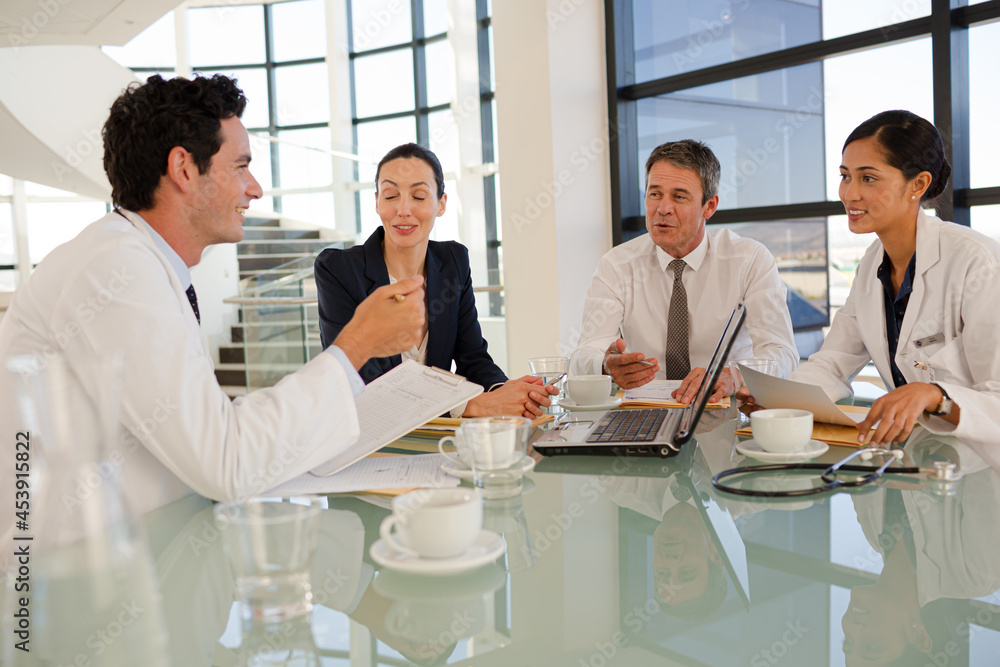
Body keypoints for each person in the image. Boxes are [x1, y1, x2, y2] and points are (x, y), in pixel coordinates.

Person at [0, 75, 425, 523]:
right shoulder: (115, 269)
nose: (255, 188)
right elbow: (225, 462)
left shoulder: (140, 262)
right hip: (62, 575)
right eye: (240, 167)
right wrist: (357, 345)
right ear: (184, 169)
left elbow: (208, 433)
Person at [785, 110, 1000, 447]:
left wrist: (936, 396)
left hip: (980, 468)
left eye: (868, 178)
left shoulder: (978, 262)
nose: (849, 194)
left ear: (918, 184)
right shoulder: (872, 263)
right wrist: (783, 401)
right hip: (914, 459)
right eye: (845, 176)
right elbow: (833, 363)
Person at [314, 143, 557, 418]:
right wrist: (467, 406)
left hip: (439, 440)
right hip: (372, 440)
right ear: (377, 202)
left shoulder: (454, 261)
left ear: (441, 204)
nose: (403, 210)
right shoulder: (338, 270)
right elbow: (363, 383)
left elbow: (473, 357)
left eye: (418, 196)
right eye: (391, 195)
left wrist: (504, 392)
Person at [571, 139, 797, 402]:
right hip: (646, 412)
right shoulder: (617, 264)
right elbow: (584, 353)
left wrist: (733, 376)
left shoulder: (749, 259)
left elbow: (781, 352)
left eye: (679, 196)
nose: (663, 208)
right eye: (655, 194)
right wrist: (605, 365)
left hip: (726, 407)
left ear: (709, 206)